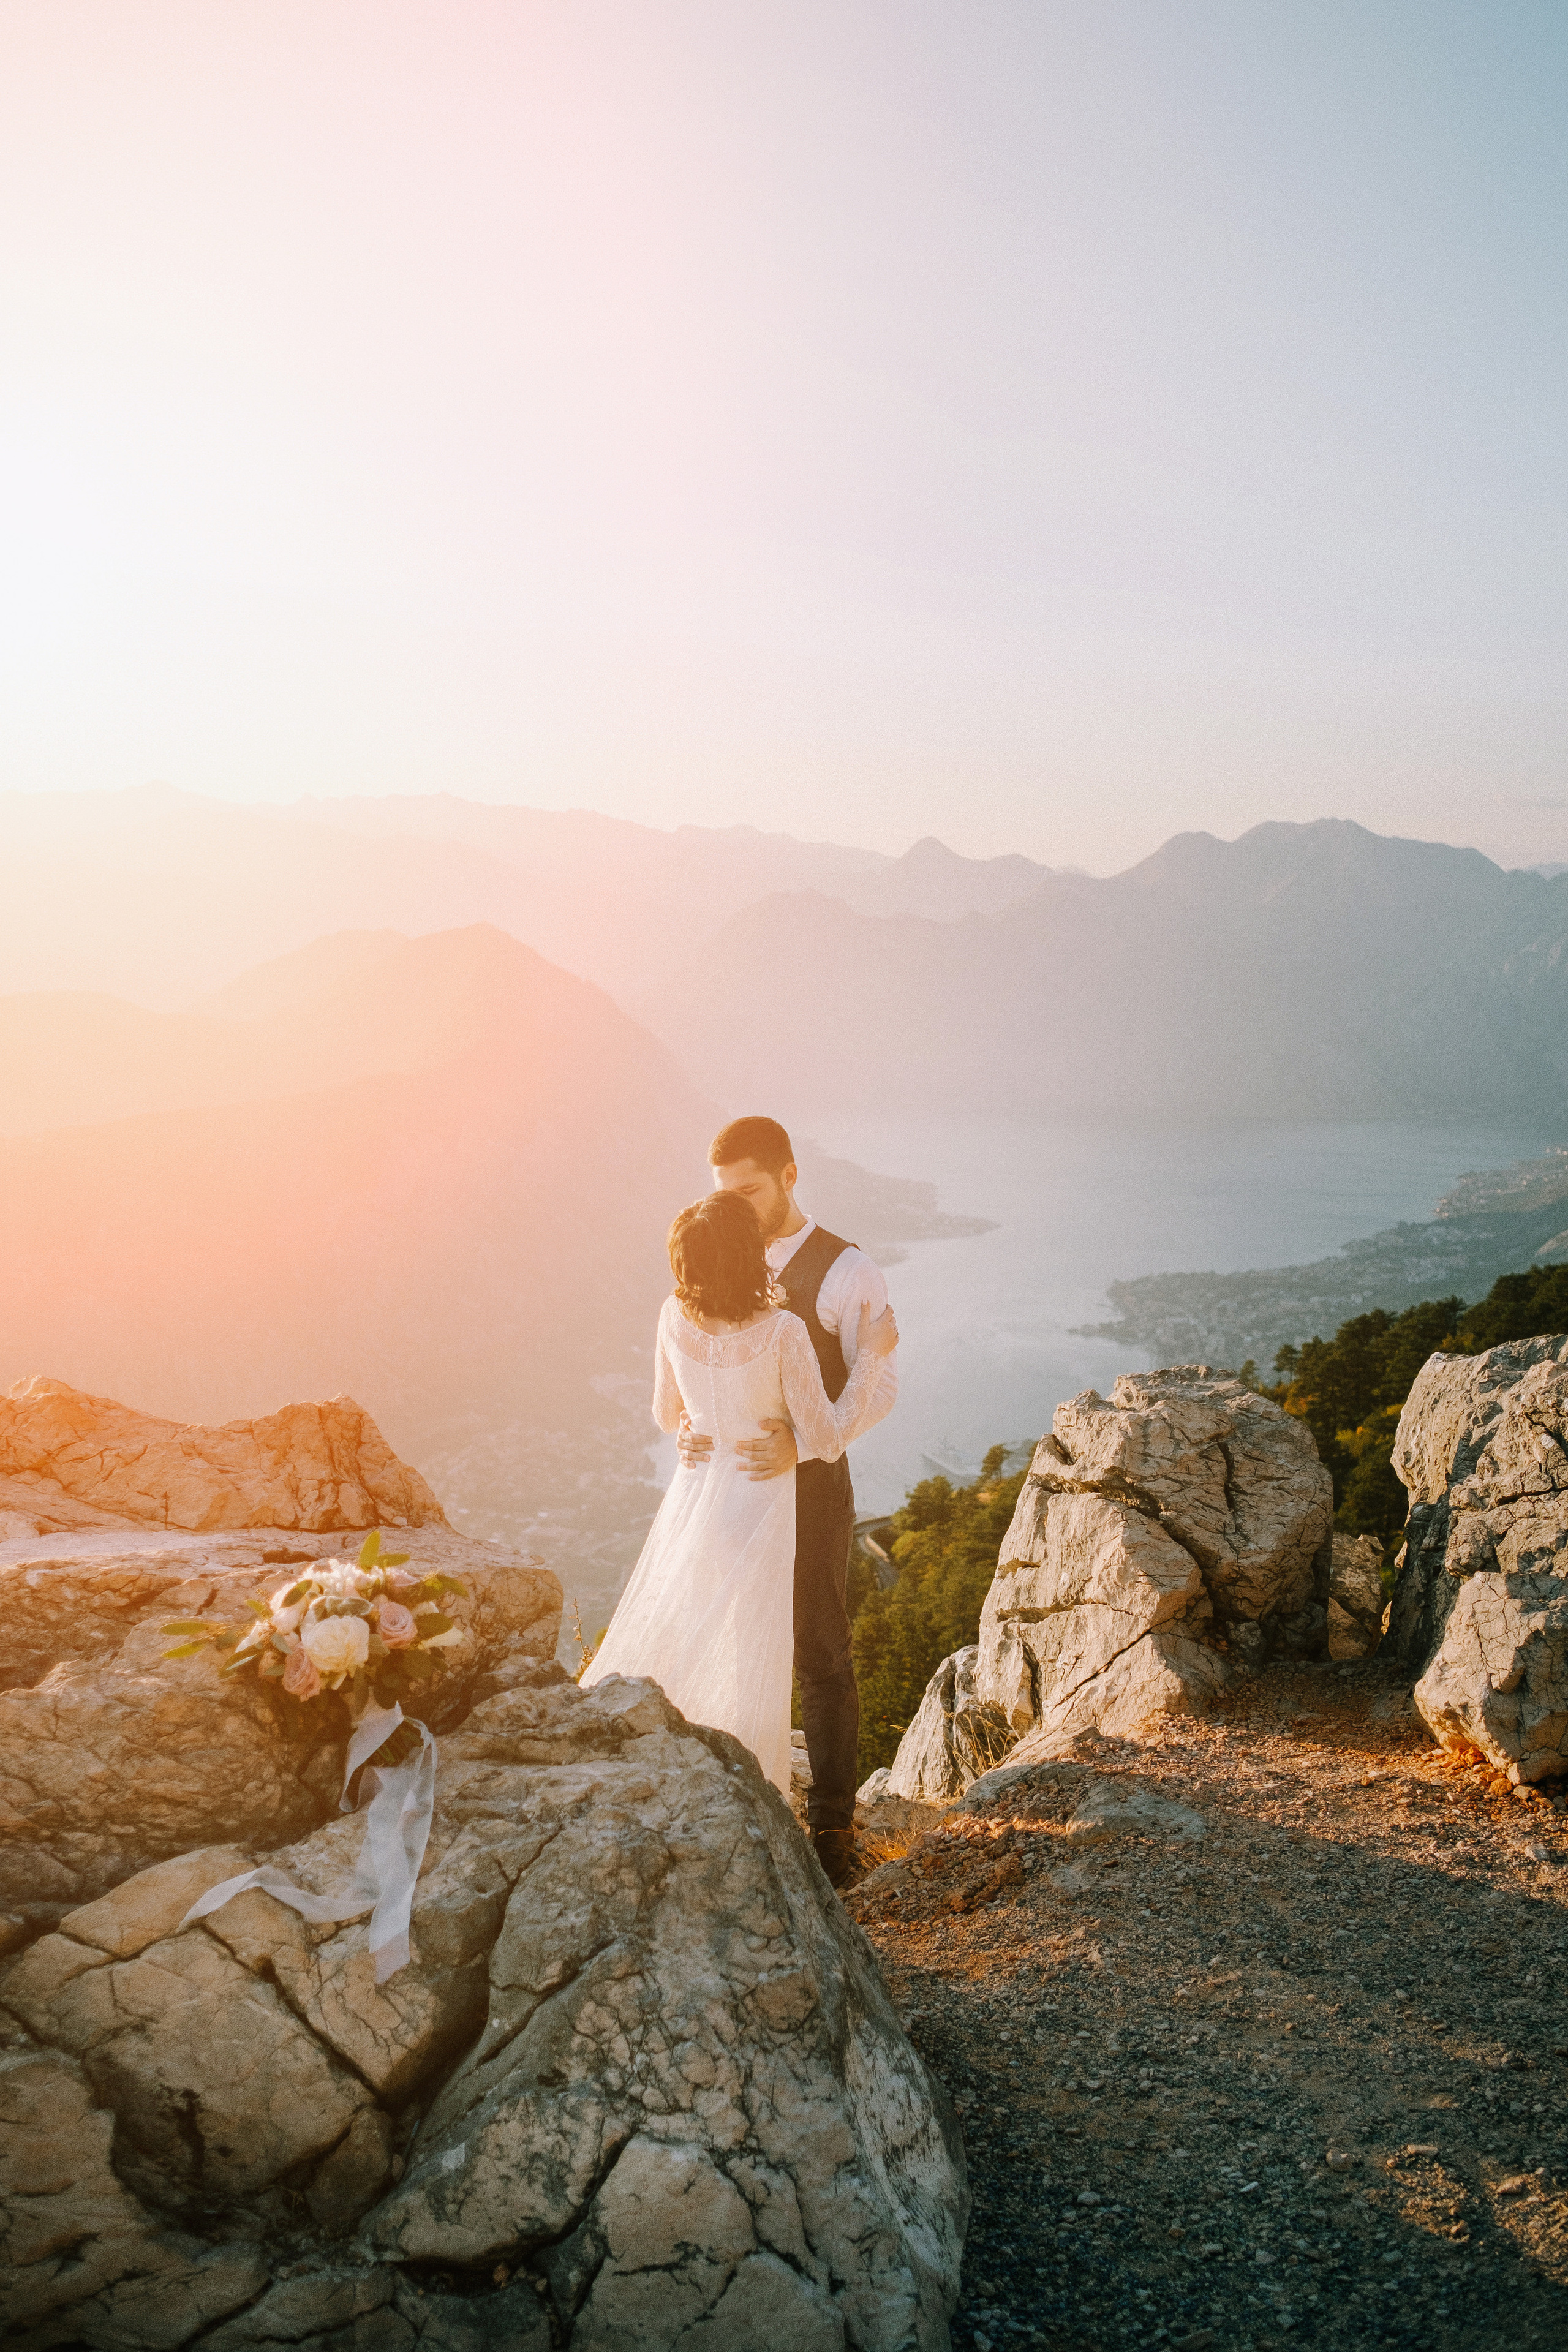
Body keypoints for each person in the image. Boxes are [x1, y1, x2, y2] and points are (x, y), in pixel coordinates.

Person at [581, 1186, 898, 1852]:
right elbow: (827, 1434)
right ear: (752, 1255)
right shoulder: (782, 1333)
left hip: (700, 1500)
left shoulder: (673, 1314)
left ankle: (686, 1789)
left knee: (709, 1641)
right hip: (764, 1505)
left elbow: (668, 1415)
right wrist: (872, 1354)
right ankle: (761, 1820)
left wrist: (701, 1424)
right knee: (767, 1652)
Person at [679, 1116, 898, 1887]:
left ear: (789, 1175)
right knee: (739, 1642)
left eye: (748, 1190)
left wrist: (800, 1446)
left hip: (810, 1490)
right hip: (734, 1493)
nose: (734, 1206)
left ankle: (833, 1826)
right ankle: (749, 1803)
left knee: (818, 1650)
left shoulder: (849, 1273)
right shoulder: (714, 1254)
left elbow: (881, 1387)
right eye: (723, 1193)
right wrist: (692, 1432)